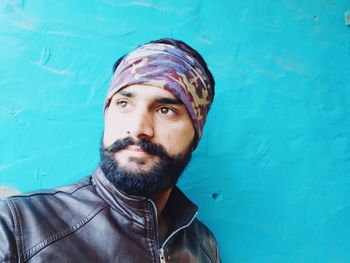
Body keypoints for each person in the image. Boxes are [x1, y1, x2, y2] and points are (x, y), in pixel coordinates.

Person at [0, 38, 221, 263]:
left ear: (196, 133)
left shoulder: (203, 246)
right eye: (124, 104)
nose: (137, 129)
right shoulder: (16, 227)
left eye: (165, 110)